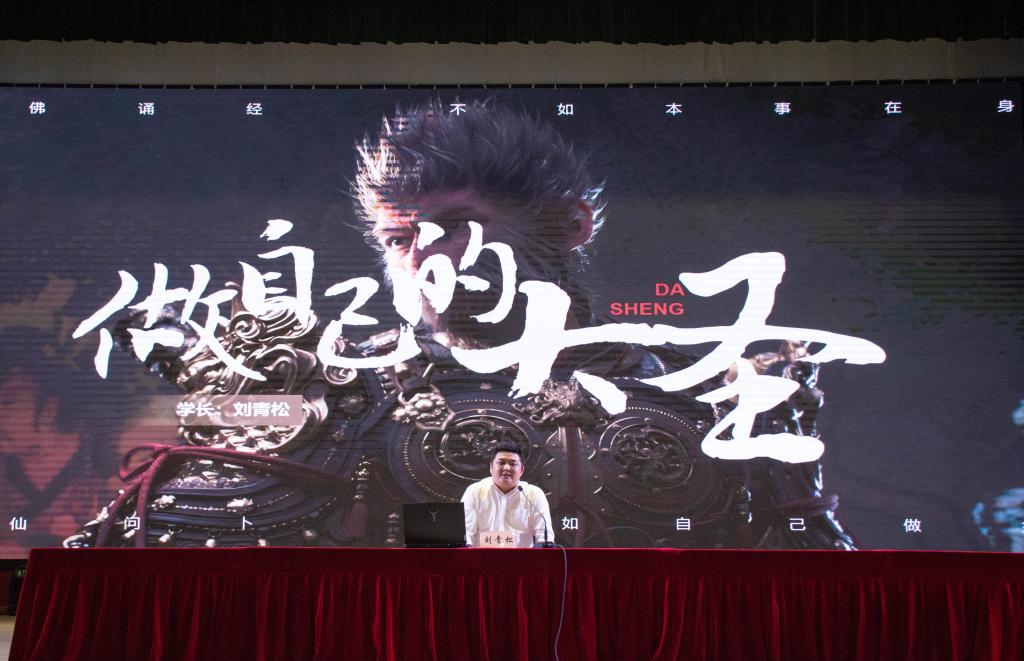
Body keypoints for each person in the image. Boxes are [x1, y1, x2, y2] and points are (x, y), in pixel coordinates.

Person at [66, 98, 854, 550]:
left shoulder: (701, 399)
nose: (424, 260)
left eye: (454, 227)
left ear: (570, 225)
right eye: (400, 239)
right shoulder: (342, 392)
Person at [462, 443, 555, 547]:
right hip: (482, 556)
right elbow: (466, 533)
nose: (506, 468)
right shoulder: (474, 491)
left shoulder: (534, 494)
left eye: (513, 464)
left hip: (521, 556)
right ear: (491, 467)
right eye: (501, 463)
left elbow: (545, 537)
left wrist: (546, 544)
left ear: (521, 470)